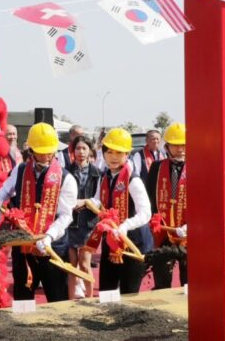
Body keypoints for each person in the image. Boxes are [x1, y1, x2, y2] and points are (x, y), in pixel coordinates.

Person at [0, 123, 77, 303]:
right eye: (41, 151)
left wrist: (48, 236)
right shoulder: (20, 170)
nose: (46, 156)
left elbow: (66, 215)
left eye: (50, 151)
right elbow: (2, 193)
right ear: (31, 150)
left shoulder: (66, 178)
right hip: (23, 246)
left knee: (57, 298)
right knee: (23, 299)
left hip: (51, 247)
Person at [86, 127, 153, 294]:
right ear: (103, 153)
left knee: (128, 295)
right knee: (106, 293)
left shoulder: (133, 179)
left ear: (127, 154)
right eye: (109, 152)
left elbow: (145, 213)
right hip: (111, 241)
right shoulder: (105, 175)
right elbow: (98, 200)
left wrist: (124, 226)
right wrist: (83, 202)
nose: (114, 157)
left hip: (132, 243)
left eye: (119, 153)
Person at [146, 123, 188, 289]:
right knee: (162, 278)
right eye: (176, 145)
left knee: (190, 279)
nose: (180, 149)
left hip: (188, 231)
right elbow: (150, 196)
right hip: (163, 230)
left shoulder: (199, 165)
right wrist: (155, 222)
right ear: (167, 146)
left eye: (184, 145)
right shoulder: (157, 167)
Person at [66, 135, 101, 299]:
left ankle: (90, 298)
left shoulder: (97, 173)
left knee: (85, 264)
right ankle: (71, 300)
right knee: (71, 266)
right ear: (73, 151)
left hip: (88, 223)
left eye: (84, 148)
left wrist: (86, 202)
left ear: (90, 151)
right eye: (78, 148)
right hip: (70, 224)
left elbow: (99, 198)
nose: (80, 152)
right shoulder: (66, 172)